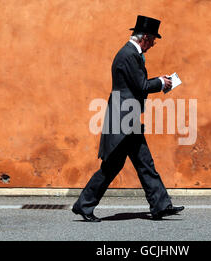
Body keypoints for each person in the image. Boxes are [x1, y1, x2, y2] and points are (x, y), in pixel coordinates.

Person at [72, 15, 184, 222]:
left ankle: (160, 205)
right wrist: (160, 83)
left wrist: (160, 81)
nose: (153, 45)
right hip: (123, 120)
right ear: (145, 38)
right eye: (153, 41)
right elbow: (141, 86)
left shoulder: (131, 53)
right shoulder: (129, 55)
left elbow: (137, 84)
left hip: (127, 119)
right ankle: (83, 205)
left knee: (144, 163)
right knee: (113, 166)